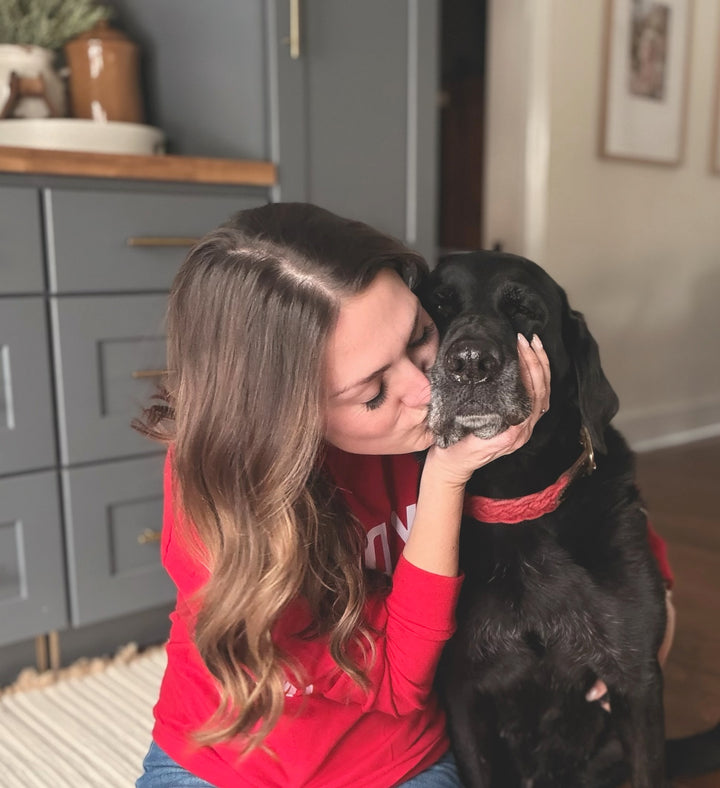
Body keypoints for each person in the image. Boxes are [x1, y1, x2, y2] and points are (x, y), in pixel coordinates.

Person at [134, 203, 672, 787]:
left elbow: (580, 491)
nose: (425, 388)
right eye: (372, 391)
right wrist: (444, 480)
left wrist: (652, 594)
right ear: (287, 418)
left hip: (397, 759)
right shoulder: (221, 493)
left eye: (420, 337)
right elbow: (390, 675)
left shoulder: (441, 432)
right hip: (225, 760)